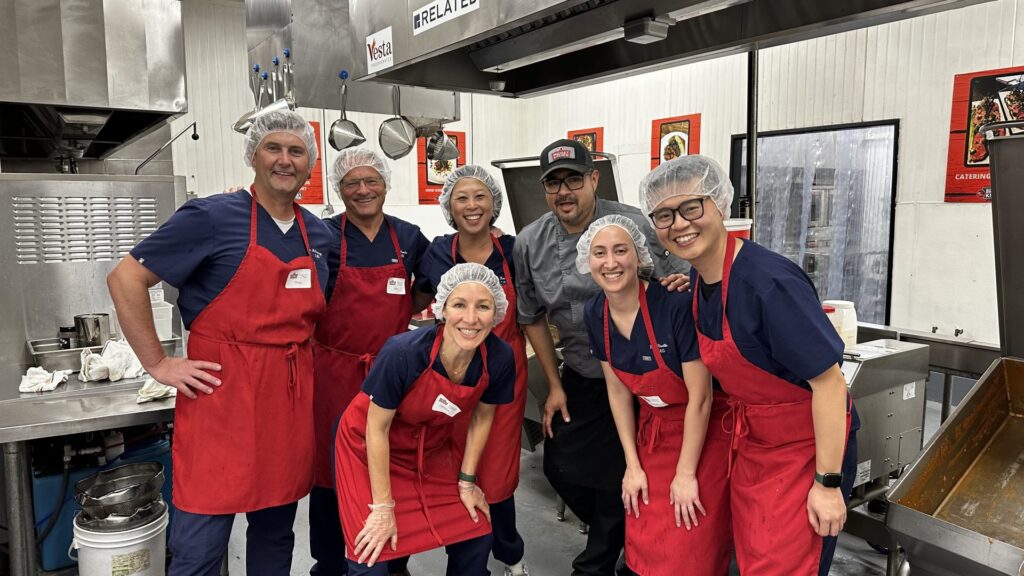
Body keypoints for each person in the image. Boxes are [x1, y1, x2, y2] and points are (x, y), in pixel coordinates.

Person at [107, 110, 331, 576]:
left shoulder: (320, 234)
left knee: (275, 532)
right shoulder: (211, 216)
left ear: (310, 162)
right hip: (220, 400)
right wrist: (159, 363)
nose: (284, 160)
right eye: (273, 148)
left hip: (286, 404)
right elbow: (126, 277)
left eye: (296, 150)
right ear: (253, 156)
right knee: (200, 545)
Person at [639, 155, 859, 576]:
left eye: (692, 207)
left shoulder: (768, 283)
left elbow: (830, 385)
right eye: (664, 215)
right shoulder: (700, 282)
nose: (680, 224)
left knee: (788, 566)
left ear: (720, 205)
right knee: (756, 559)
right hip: (757, 446)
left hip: (807, 451)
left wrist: (828, 484)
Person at [512, 139, 688, 576]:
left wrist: (682, 284)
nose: (564, 191)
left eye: (574, 178)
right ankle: (622, 534)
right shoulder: (530, 242)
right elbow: (530, 315)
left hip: (646, 375)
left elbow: (676, 279)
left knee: (628, 471)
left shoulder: (631, 223)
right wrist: (554, 385)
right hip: (585, 373)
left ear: (594, 178)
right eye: (554, 183)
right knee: (561, 467)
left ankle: (600, 560)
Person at [333, 263, 516, 576]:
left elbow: (482, 419)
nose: (470, 319)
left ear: (497, 311)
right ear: (441, 308)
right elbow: (376, 428)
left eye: (483, 306)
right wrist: (383, 506)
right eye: (459, 305)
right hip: (367, 447)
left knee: (476, 531)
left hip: (430, 446)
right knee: (371, 554)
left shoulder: (498, 357)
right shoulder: (403, 352)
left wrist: (467, 481)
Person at [578, 215, 731, 576]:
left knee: (689, 537)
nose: (611, 262)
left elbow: (702, 398)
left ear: (639, 256)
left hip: (702, 436)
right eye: (599, 252)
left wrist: (686, 473)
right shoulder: (595, 313)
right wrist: (632, 465)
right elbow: (617, 392)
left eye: (621, 250)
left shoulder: (675, 306)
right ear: (588, 261)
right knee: (643, 530)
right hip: (653, 434)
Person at [310, 148, 434, 576]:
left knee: (391, 469)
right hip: (333, 375)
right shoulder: (323, 236)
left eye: (371, 181)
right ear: (339, 190)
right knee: (329, 474)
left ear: (385, 184)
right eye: (351, 183)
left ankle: (394, 562)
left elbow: (423, 294)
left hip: (393, 376)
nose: (363, 190)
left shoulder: (409, 237)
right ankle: (328, 564)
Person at [416, 165, 529, 576]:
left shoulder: (514, 250)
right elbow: (415, 297)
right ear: (449, 205)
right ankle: (467, 565)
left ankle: (510, 553)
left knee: (496, 475)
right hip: (452, 377)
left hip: (503, 375)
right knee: (455, 472)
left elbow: (531, 314)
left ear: (494, 204)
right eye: (461, 197)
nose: (472, 205)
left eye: (480, 196)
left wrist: (552, 382)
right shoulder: (436, 252)